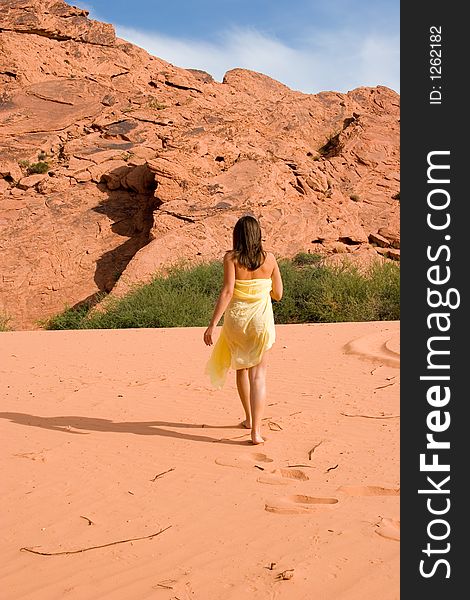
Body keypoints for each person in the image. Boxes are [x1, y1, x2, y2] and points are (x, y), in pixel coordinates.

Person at [203, 215, 283, 445]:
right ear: (258, 234)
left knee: (241, 369)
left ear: (237, 235)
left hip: (237, 322)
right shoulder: (270, 260)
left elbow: (227, 292)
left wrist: (212, 325)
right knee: (259, 376)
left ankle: (248, 419)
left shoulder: (231, 258)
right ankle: (256, 431)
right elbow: (278, 294)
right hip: (261, 322)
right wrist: (262, 289)